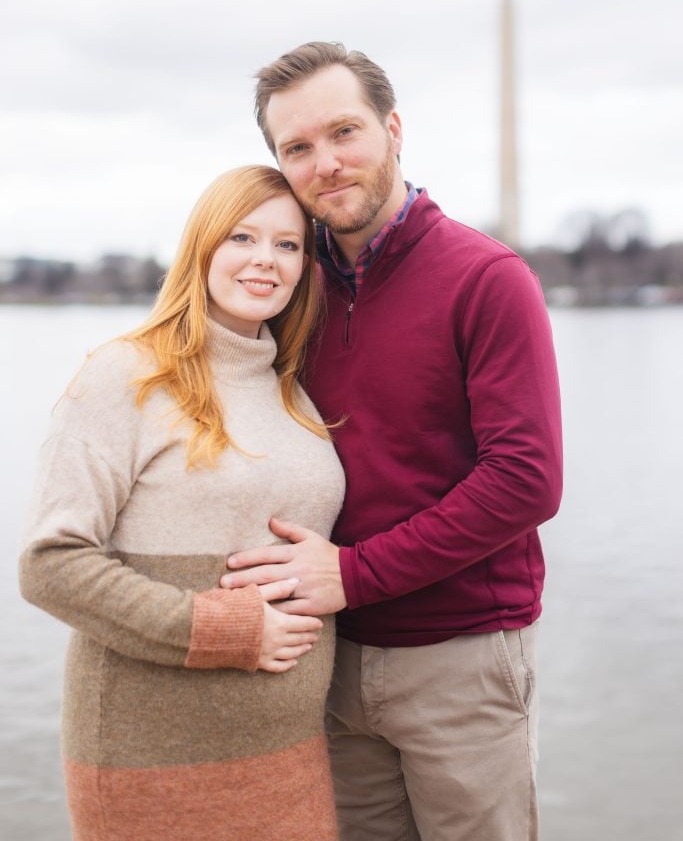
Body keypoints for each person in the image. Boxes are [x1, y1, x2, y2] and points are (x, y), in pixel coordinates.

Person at [220, 43, 563, 841]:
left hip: (461, 658)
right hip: (325, 657)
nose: (326, 163)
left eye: (344, 132)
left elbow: (525, 480)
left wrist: (354, 573)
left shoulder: (486, 277)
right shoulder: (288, 287)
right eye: (296, 148)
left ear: (393, 128)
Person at [19, 164, 346, 841]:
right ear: (201, 247)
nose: (265, 260)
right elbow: (50, 565)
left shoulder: (291, 389)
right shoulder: (124, 374)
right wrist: (226, 630)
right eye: (241, 237)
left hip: (292, 759)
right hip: (154, 767)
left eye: (287, 245)